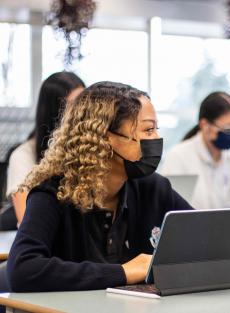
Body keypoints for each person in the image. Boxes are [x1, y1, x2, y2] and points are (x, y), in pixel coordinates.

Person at [7, 82, 192, 292]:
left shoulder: (153, 187)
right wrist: (123, 272)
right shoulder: (53, 192)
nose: (157, 139)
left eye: (156, 129)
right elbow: (23, 270)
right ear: (104, 139)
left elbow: (208, 240)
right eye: (148, 130)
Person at [6, 72, 85, 225]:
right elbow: (27, 223)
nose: (82, 113)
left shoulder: (87, 150)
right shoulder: (22, 156)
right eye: (73, 106)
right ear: (54, 111)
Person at [160, 92, 230, 210]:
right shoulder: (179, 156)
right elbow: (169, 208)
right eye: (228, 128)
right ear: (204, 125)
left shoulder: (227, 158)